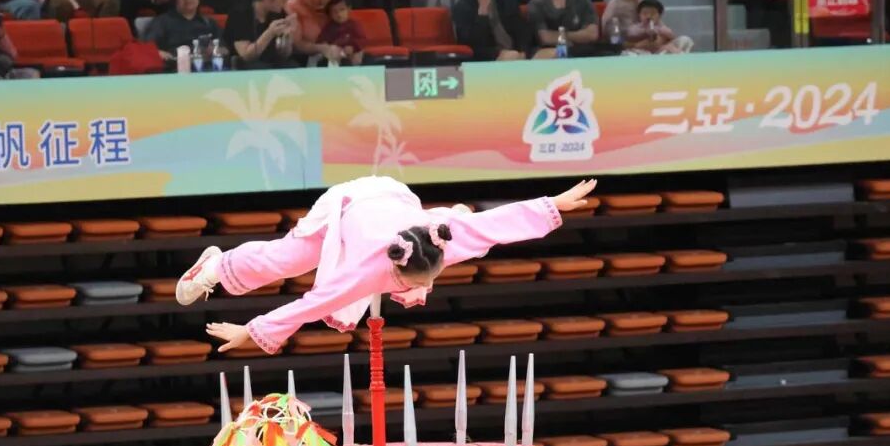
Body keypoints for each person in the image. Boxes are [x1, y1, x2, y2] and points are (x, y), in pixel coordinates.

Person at [175, 176, 596, 354]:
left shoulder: (443, 239)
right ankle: (215, 266)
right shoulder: (367, 270)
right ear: (395, 272)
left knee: (470, 229)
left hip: (399, 202)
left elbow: (498, 224)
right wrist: (252, 331)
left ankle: (454, 212)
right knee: (292, 258)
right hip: (349, 203)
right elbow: (312, 304)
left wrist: (553, 204)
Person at [224, 0, 296, 69]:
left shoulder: (277, 14)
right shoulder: (239, 15)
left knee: (293, 65)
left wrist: (287, 36)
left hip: (272, 63)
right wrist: (270, 32)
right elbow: (246, 57)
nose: (285, 1)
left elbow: (284, 55)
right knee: (261, 67)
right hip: (248, 67)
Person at [144, 0, 221, 61]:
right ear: (176, 0)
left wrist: (215, 50)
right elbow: (146, 48)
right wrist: (158, 53)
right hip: (173, 66)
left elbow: (224, 48)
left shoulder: (209, 23)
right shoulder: (162, 22)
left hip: (205, 67)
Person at [452, 0, 526, 61]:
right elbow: (471, 46)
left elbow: (522, 30)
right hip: (487, 59)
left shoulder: (506, 0)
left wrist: (524, 52)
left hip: (515, 55)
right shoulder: (462, 7)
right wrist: (483, 10)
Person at [612, 0, 693, 54]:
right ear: (639, 15)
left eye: (653, 14)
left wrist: (663, 33)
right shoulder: (635, 27)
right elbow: (628, 36)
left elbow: (672, 37)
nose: (648, 16)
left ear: (659, 15)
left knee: (685, 39)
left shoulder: (661, 27)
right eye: (645, 13)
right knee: (630, 53)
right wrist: (644, 32)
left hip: (661, 51)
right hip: (642, 51)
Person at [526, 0, 598, 58]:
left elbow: (592, 34)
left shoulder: (583, 0)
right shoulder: (537, 3)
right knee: (547, 54)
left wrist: (563, 36)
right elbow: (545, 38)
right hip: (550, 52)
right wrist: (579, 36)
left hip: (582, 51)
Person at [285, 0, 343, 64]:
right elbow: (297, 44)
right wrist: (321, 48)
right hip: (304, 58)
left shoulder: (334, 2)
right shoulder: (293, 5)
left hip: (335, 53)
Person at [316, 0, 364, 65]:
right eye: (334, 11)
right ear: (330, 14)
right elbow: (321, 40)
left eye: (342, 10)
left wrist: (353, 47)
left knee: (360, 57)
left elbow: (362, 40)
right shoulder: (329, 27)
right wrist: (326, 46)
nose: (339, 14)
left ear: (349, 9)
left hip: (351, 54)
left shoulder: (354, 25)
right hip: (335, 55)